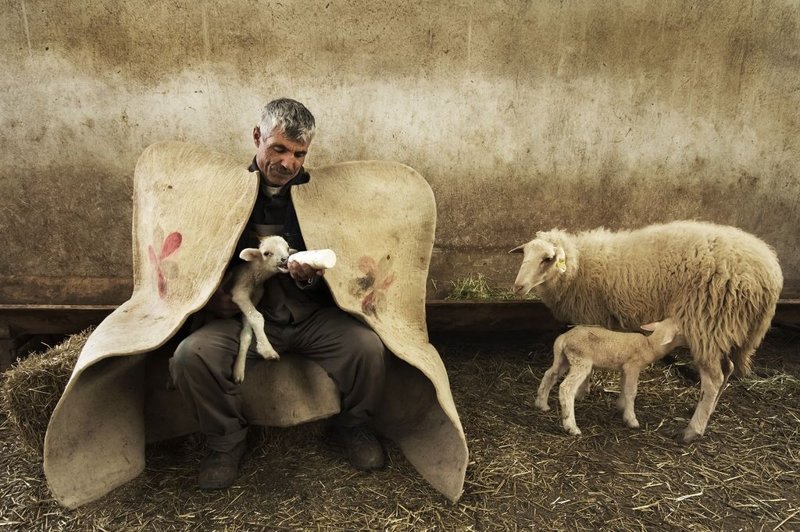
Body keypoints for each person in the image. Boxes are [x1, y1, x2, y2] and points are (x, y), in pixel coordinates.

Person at [169, 98, 387, 490]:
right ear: (257, 137)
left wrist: (309, 278)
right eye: (279, 148)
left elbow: (345, 264)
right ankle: (225, 442)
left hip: (309, 315)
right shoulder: (226, 192)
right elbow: (198, 259)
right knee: (190, 357)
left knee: (367, 349)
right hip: (243, 316)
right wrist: (214, 296)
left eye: (299, 154)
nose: (288, 163)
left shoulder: (320, 196)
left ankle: (354, 426)